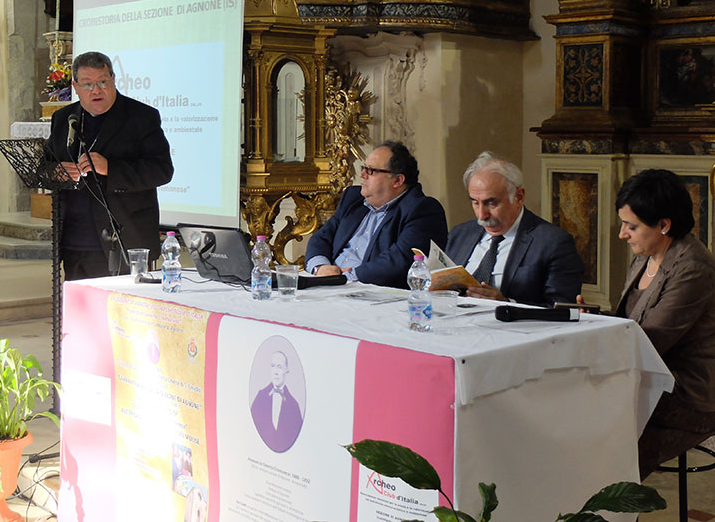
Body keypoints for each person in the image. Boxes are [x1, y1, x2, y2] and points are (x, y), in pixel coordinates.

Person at [610, 169, 715, 479]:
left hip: (687, 394)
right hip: (647, 377)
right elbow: (629, 325)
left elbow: (650, 341)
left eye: (631, 226)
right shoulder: (646, 254)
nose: (622, 234)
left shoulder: (693, 268)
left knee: (608, 443)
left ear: (664, 225)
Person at [46, 51, 174, 280]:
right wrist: (56, 172)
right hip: (74, 241)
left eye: (102, 82)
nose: (96, 90)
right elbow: (44, 166)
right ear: (75, 86)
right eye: (88, 84)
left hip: (124, 239)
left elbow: (162, 170)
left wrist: (111, 168)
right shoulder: (63, 119)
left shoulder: (141, 117)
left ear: (113, 79)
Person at [445, 151, 584, 306]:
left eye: (491, 203)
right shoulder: (459, 235)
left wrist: (507, 304)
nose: (482, 215)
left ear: (519, 197)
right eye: (475, 203)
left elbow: (562, 308)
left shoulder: (553, 243)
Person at [304, 141, 447, 289]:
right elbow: (321, 238)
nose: (362, 175)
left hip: (369, 293)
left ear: (397, 180)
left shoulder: (422, 209)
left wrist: (343, 277)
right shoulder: (353, 199)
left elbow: (398, 262)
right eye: (363, 168)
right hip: (327, 284)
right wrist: (320, 267)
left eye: (371, 170)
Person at [250, 351, 303, 453]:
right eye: (273, 366)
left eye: (279, 367)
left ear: (286, 370)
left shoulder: (294, 405)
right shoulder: (260, 397)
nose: (276, 371)